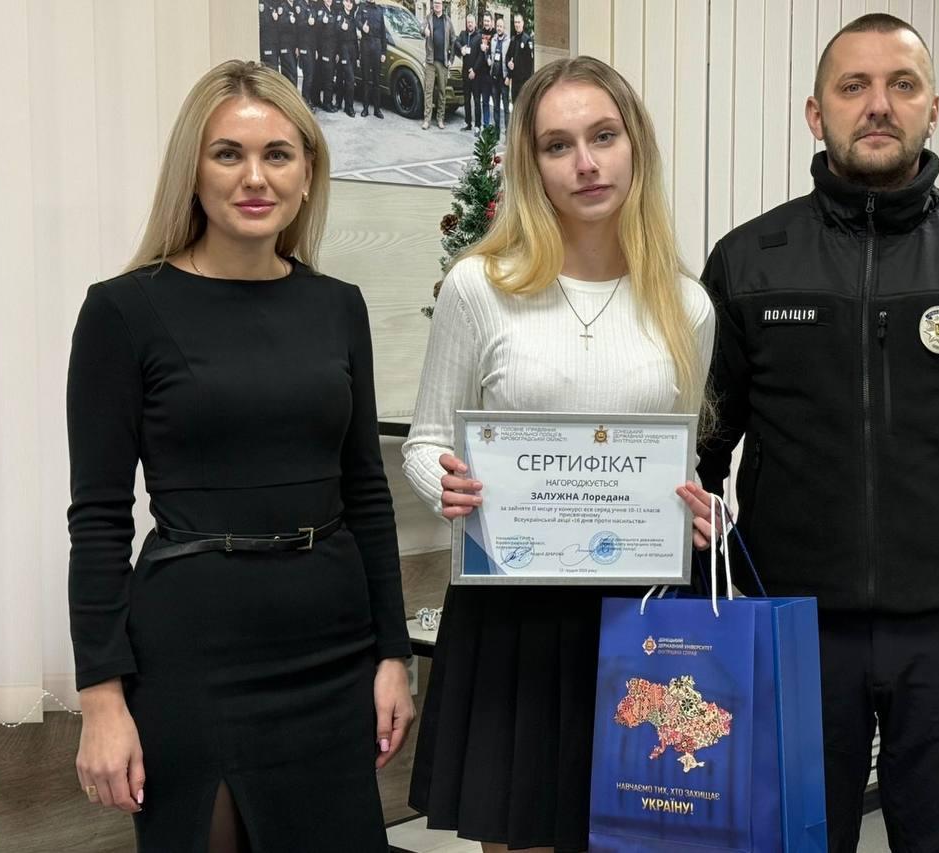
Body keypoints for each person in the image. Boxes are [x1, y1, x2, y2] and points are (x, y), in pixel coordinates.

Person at [684, 13, 939, 852]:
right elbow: (697, 447)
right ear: (816, 113)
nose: (878, 104)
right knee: (787, 845)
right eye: (854, 86)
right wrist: (704, 605)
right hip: (791, 631)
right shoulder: (748, 262)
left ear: (932, 108)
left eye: (901, 85)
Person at [67, 60, 413, 852]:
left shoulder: (338, 306)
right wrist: (101, 698)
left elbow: (367, 492)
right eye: (228, 154)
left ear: (307, 172)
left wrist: (393, 654)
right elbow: (98, 519)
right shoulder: (123, 310)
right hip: (194, 651)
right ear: (193, 171)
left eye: (277, 154)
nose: (255, 177)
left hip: (332, 642)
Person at [402, 55, 715, 853]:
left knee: (639, 835)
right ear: (531, 163)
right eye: (557, 144)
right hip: (515, 611)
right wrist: (447, 487)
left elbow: (681, 464)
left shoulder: (687, 304)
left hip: (642, 615)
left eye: (603, 136)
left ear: (635, 146)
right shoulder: (481, 285)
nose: (585, 163)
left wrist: (708, 511)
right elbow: (427, 441)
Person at [421, 0, 454, 130]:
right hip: (430, 61)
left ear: (442, 5)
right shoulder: (428, 18)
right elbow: (421, 29)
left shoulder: (447, 20)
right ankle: (427, 120)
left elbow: (453, 40)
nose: (437, 5)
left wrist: (451, 58)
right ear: (433, 5)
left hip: (443, 62)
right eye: (435, 3)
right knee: (428, 90)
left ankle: (440, 119)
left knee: (442, 91)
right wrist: (424, 31)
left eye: (439, 3)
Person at [359, 0, 388, 119]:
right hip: (365, 45)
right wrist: (362, 27)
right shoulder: (362, 7)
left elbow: (383, 33)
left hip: (377, 46)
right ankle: (365, 108)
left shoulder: (379, 10)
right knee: (366, 79)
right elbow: (356, 20)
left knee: (376, 80)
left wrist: (384, 52)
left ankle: (377, 109)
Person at [455, 13, 482, 131]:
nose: (470, 24)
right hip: (465, 73)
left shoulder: (479, 37)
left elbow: (481, 56)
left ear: (475, 23)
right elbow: (456, 42)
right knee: (466, 99)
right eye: (468, 22)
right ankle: (468, 123)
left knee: (476, 100)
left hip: (475, 74)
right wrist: (461, 48)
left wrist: (474, 70)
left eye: (471, 22)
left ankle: (477, 125)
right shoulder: (463, 34)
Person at [333, 0, 359, 117]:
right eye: (347, 1)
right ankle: (349, 107)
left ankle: (339, 103)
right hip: (343, 49)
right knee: (349, 79)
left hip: (352, 50)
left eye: (351, 3)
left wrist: (357, 56)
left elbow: (355, 38)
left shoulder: (352, 17)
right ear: (343, 3)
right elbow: (335, 30)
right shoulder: (340, 15)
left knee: (342, 77)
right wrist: (341, 27)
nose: (349, 4)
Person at [506, 13, 535, 108]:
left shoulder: (527, 40)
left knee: (523, 107)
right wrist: (508, 63)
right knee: (515, 105)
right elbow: (508, 56)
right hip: (514, 81)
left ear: (523, 23)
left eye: (518, 22)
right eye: (515, 22)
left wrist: (528, 83)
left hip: (524, 81)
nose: (517, 24)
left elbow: (530, 64)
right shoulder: (513, 39)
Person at [313, 0, 337, 111]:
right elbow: (316, 30)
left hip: (332, 49)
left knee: (327, 76)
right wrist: (322, 22)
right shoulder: (321, 11)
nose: (329, 0)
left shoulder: (333, 11)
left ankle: (319, 101)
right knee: (327, 77)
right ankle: (327, 103)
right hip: (325, 49)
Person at [488, 15, 510, 130]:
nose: (499, 28)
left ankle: (507, 132)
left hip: (504, 79)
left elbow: (511, 59)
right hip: (494, 79)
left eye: (501, 26)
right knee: (496, 107)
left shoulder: (508, 41)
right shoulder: (493, 40)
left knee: (505, 107)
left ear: (504, 28)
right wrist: (488, 59)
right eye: (497, 26)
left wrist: (509, 76)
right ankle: (496, 131)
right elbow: (489, 55)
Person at [297, 1, 318, 108]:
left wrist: (316, 49)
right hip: (304, 45)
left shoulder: (312, 6)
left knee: (311, 75)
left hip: (312, 46)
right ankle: (305, 102)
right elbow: (297, 25)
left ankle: (308, 99)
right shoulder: (300, 5)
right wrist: (307, 22)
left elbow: (315, 29)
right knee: (308, 75)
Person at [276, 2, 300, 85]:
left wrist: (297, 46)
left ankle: (293, 90)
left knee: (293, 72)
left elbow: (298, 28)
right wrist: (288, 20)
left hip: (294, 45)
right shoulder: (282, 6)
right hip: (285, 44)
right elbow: (279, 24)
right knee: (291, 71)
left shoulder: (296, 6)